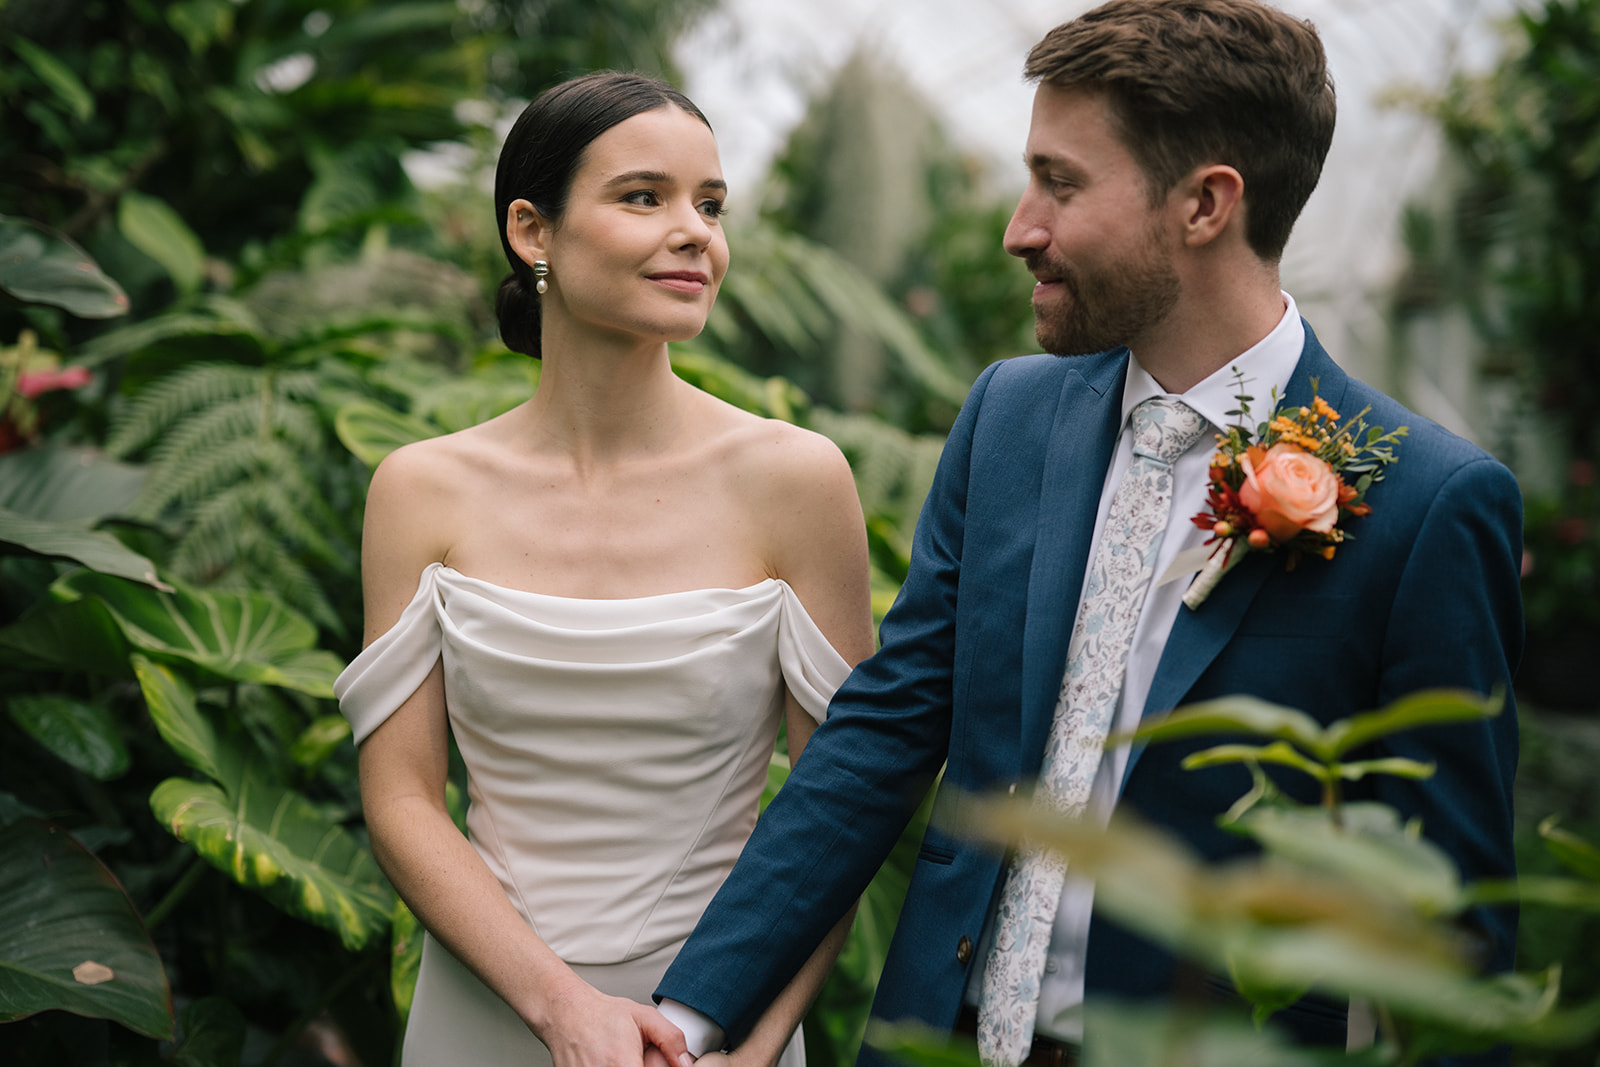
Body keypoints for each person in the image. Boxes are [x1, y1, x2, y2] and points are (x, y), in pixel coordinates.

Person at [651, 2, 1522, 1065]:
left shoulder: (1428, 499)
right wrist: (688, 1015)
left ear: (1204, 203)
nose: (1021, 226)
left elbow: (1452, 919)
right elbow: (885, 733)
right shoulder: (1008, 419)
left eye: (1060, 183)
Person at [334, 70, 874, 1067]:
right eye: (644, 197)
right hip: (487, 1007)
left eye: (710, 205)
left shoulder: (794, 480)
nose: (694, 232)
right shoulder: (421, 489)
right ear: (532, 231)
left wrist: (752, 1044)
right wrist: (559, 1008)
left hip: (712, 1022)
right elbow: (403, 797)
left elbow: (838, 806)